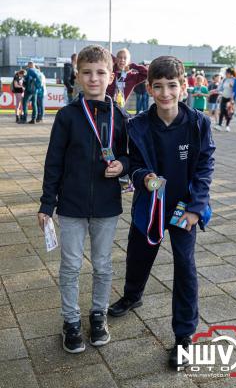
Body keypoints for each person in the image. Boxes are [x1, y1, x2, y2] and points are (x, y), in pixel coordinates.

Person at [108, 56, 215, 369]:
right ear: (149, 89)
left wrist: (196, 207)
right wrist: (143, 177)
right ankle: (132, 295)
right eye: (159, 86)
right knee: (138, 255)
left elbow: (206, 167)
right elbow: (134, 163)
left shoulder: (199, 123)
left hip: (185, 208)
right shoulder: (137, 125)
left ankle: (184, 335)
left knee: (185, 266)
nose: (166, 92)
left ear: (184, 87)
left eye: (172, 85)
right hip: (150, 205)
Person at [38, 45, 129, 353]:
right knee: (71, 265)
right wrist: (46, 204)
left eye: (100, 73)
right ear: (77, 76)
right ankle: (71, 321)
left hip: (107, 206)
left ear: (111, 77)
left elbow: (132, 155)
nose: (93, 78)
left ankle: (98, 315)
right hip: (72, 207)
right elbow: (54, 161)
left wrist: (123, 165)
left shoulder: (120, 116)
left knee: (103, 266)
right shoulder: (66, 116)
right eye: (87, 73)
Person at [214, 67, 236, 131]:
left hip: (230, 99)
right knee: (222, 111)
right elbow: (220, 88)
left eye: (227, 73)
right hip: (224, 97)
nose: (226, 74)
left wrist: (232, 87)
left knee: (229, 112)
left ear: (230, 73)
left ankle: (227, 125)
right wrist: (214, 91)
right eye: (225, 73)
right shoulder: (224, 80)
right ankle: (219, 125)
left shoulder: (235, 80)